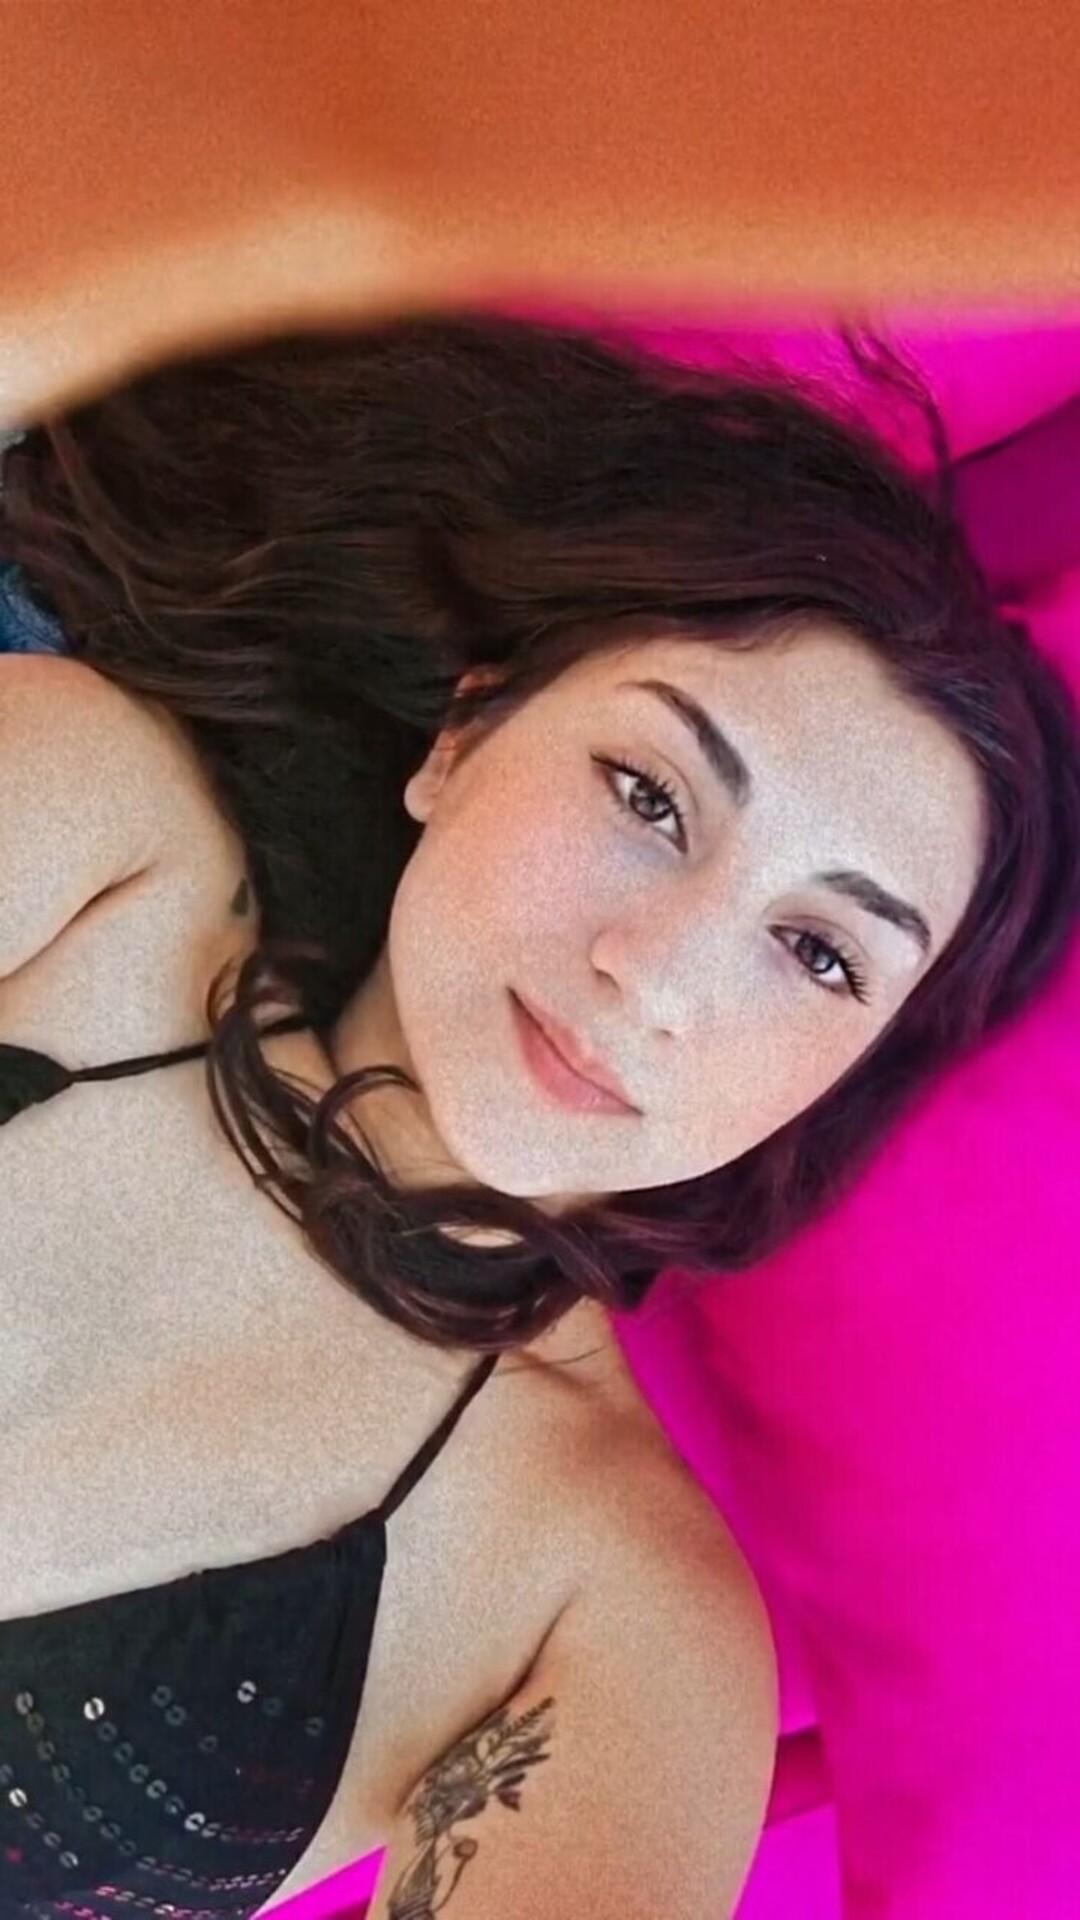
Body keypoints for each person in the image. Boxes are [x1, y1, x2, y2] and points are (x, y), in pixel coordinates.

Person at [1, 313, 1079, 1920]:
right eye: (649, 797)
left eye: (818, 953)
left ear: (843, 1074)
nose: (655, 976)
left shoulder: (613, 1618)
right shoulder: (96, 835)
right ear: (464, 735)